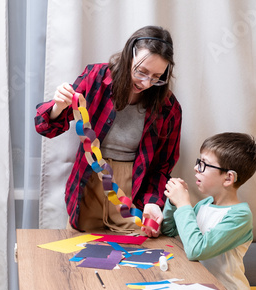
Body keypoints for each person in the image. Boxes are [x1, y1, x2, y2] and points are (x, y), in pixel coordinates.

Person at [35, 26, 182, 237]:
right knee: (80, 259)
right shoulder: (96, 78)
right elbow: (45, 127)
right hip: (89, 186)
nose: (147, 82)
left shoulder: (168, 107)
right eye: (141, 71)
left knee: (131, 265)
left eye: (157, 76)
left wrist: (152, 203)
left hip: (132, 191)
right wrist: (58, 105)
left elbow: (162, 166)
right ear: (128, 56)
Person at [161, 132, 256, 290]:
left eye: (203, 165)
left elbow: (197, 250)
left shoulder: (240, 217)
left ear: (228, 178)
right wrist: (173, 202)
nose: (195, 168)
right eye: (199, 162)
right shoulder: (204, 205)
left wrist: (183, 204)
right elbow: (169, 230)